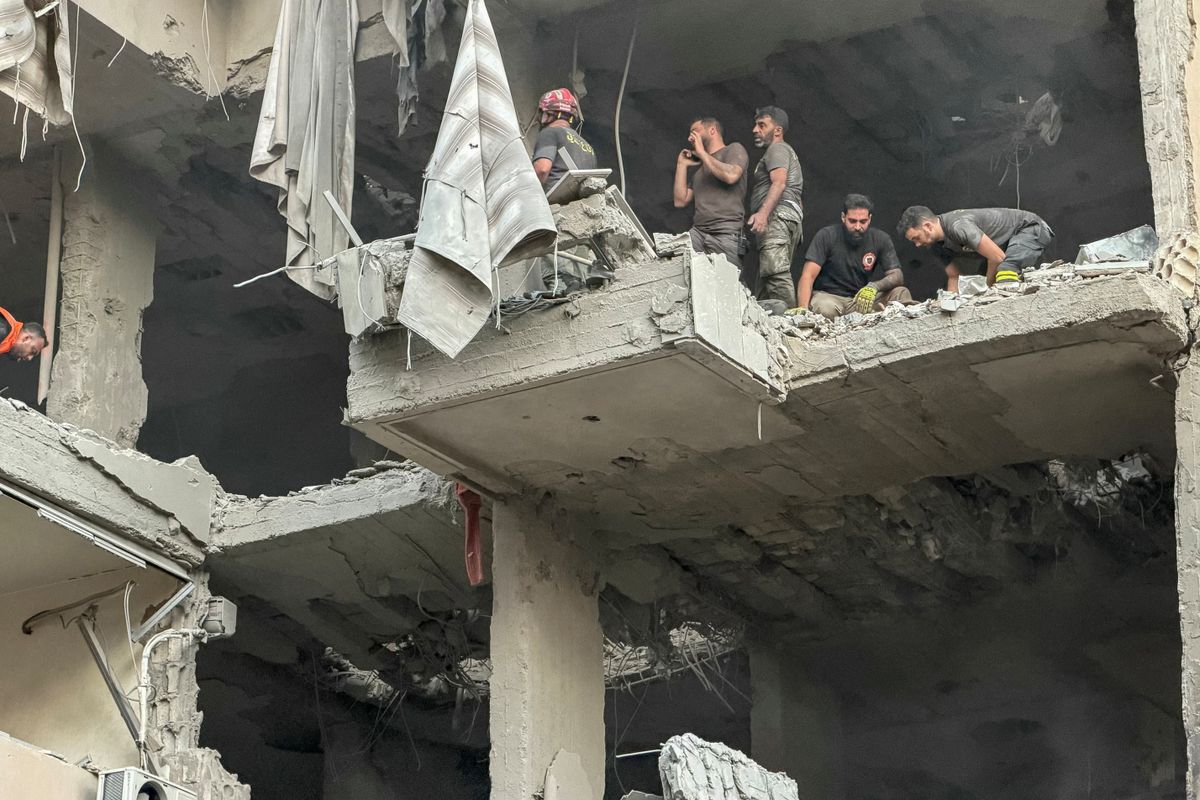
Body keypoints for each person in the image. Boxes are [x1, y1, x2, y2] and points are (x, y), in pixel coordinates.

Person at [794, 194, 912, 319]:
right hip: (830, 298)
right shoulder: (826, 236)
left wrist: (874, 287)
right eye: (852, 221)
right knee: (824, 308)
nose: (857, 227)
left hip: (862, 300)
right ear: (843, 217)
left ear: (870, 219)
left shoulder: (880, 239)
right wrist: (803, 309)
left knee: (901, 293)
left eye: (863, 222)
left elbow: (897, 275)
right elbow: (808, 275)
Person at [897, 205, 1054, 292]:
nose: (917, 244)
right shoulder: (936, 245)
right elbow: (954, 276)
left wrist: (988, 288)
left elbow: (997, 257)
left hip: (1030, 229)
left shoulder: (958, 226)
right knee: (982, 278)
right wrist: (951, 302)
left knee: (1006, 271)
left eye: (916, 238)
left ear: (928, 226)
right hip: (1005, 247)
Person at [747, 106, 804, 307]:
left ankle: (789, 320)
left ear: (777, 130)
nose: (755, 130)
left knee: (774, 271)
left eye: (762, 125)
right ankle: (769, 321)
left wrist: (763, 214)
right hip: (785, 216)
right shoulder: (786, 152)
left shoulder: (777, 149)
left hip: (777, 216)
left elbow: (779, 182)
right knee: (765, 282)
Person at [673, 116, 748, 267]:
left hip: (726, 234)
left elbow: (731, 176)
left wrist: (701, 152)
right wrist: (681, 164)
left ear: (712, 130)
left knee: (725, 280)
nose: (690, 138)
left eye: (695, 131)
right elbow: (680, 201)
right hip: (698, 233)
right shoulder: (700, 171)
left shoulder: (733, 149)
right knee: (679, 269)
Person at [531, 88, 597, 190]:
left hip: (552, 197)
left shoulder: (550, 133)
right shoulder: (589, 148)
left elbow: (542, 170)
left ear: (548, 113)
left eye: (541, 112)